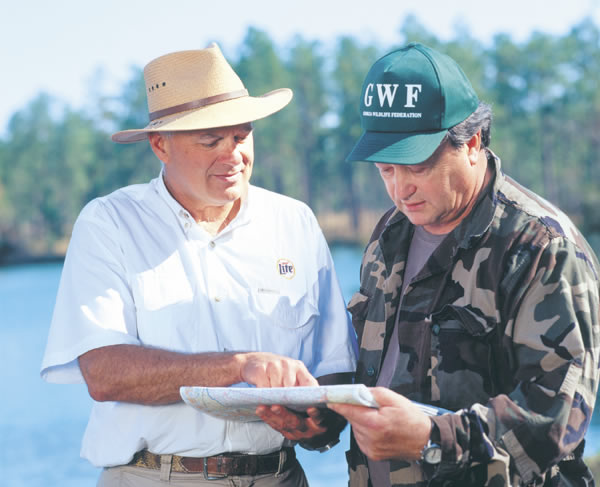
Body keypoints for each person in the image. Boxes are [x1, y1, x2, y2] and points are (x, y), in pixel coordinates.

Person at [40, 43, 357, 487]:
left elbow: (335, 365)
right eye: (211, 141)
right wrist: (238, 367)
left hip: (282, 477)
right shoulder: (109, 222)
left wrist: (318, 427)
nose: (233, 156)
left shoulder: (295, 221)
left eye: (242, 136)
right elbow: (105, 373)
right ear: (159, 146)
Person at [328, 42, 599, 486]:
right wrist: (315, 412)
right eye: (385, 170)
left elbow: (554, 418)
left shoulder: (541, 248)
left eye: (415, 166)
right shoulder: (389, 235)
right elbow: (373, 370)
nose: (400, 190)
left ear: (471, 142)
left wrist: (430, 438)